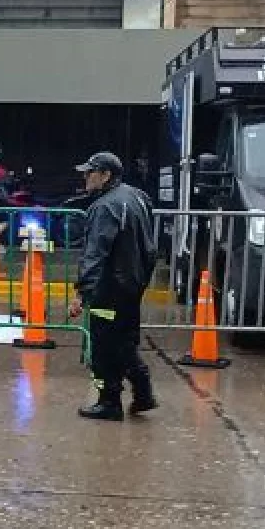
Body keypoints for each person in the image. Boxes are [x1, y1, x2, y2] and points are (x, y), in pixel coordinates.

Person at [69, 151, 155, 421]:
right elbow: (149, 247)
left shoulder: (104, 207)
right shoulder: (138, 197)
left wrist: (82, 293)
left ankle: (109, 402)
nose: (85, 177)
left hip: (110, 289)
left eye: (90, 172)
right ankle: (143, 393)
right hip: (132, 285)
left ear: (106, 175)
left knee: (104, 346)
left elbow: (95, 254)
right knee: (125, 342)